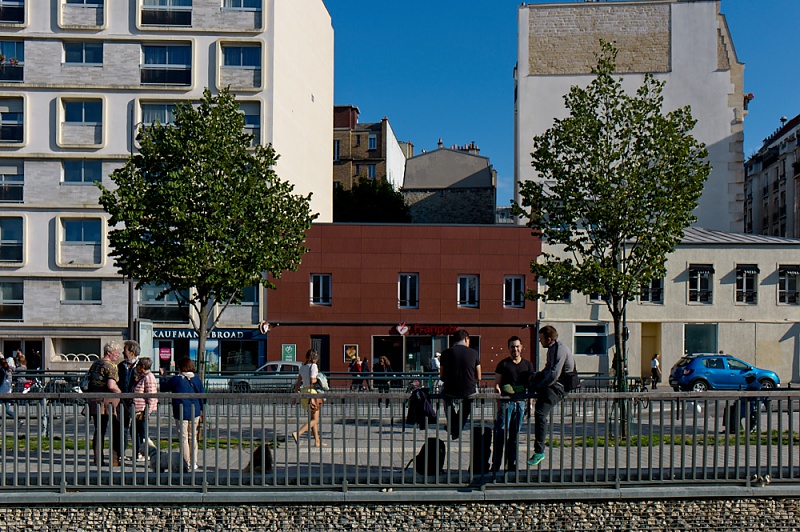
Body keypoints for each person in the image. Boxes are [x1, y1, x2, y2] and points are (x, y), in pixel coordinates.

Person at [527, 325, 575, 467]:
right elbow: (548, 369)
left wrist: (540, 385)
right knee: (533, 383)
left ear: (549, 339)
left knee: (540, 413)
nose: (540, 341)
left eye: (541, 339)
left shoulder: (560, 350)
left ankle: (539, 451)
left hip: (560, 386)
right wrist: (537, 376)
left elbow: (554, 374)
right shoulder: (552, 349)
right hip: (555, 384)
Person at [491, 336, 534, 473]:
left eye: (517, 346)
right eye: (512, 347)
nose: (515, 349)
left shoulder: (528, 365)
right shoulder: (503, 364)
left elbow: (531, 386)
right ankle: (496, 465)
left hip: (520, 404)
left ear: (521, 347)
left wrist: (530, 404)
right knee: (500, 435)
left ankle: (512, 464)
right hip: (506, 404)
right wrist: (498, 404)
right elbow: (497, 385)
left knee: (514, 436)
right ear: (508, 348)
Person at [160, 357, 204, 472]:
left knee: (183, 438)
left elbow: (164, 388)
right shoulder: (197, 380)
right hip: (195, 410)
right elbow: (202, 396)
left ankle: (185, 462)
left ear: (180, 367)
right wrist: (202, 410)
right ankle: (194, 462)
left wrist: (163, 377)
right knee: (193, 437)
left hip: (181, 411)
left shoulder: (176, 380)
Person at [86, 341, 123, 466]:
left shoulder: (95, 364)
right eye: (116, 353)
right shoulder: (111, 366)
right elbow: (111, 385)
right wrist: (120, 392)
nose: (118, 355)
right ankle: (114, 459)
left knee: (99, 430)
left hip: (94, 400)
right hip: (109, 401)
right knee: (115, 429)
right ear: (109, 352)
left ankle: (98, 459)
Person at [439, 330, 481, 440]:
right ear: (466, 339)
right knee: (468, 402)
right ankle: (456, 429)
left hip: (450, 389)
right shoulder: (474, 353)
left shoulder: (445, 353)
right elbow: (479, 376)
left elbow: (442, 376)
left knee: (446, 399)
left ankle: (454, 427)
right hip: (469, 389)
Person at [291, 349, 326, 447]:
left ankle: (317, 441)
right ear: (315, 357)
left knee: (312, 418)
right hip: (312, 393)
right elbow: (312, 380)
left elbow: (298, 383)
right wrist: (319, 379)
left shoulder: (302, 367)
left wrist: (295, 397)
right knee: (315, 420)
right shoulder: (313, 366)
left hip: (304, 392)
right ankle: (298, 433)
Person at [131, 357, 158, 462]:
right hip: (137, 409)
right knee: (135, 431)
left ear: (142, 366)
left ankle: (147, 452)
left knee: (142, 433)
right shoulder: (142, 377)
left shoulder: (149, 377)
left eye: (138, 365)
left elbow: (151, 395)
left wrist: (148, 410)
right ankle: (139, 452)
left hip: (143, 410)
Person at [117, 340, 140, 459]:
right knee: (123, 427)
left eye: (125, 350)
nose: (122, 352)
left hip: (136, 401)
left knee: (136, 429)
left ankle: (138, 452)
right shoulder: (121, 366)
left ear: (132, 352)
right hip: (123, 400)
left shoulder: (141, 365)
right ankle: (121, 452)